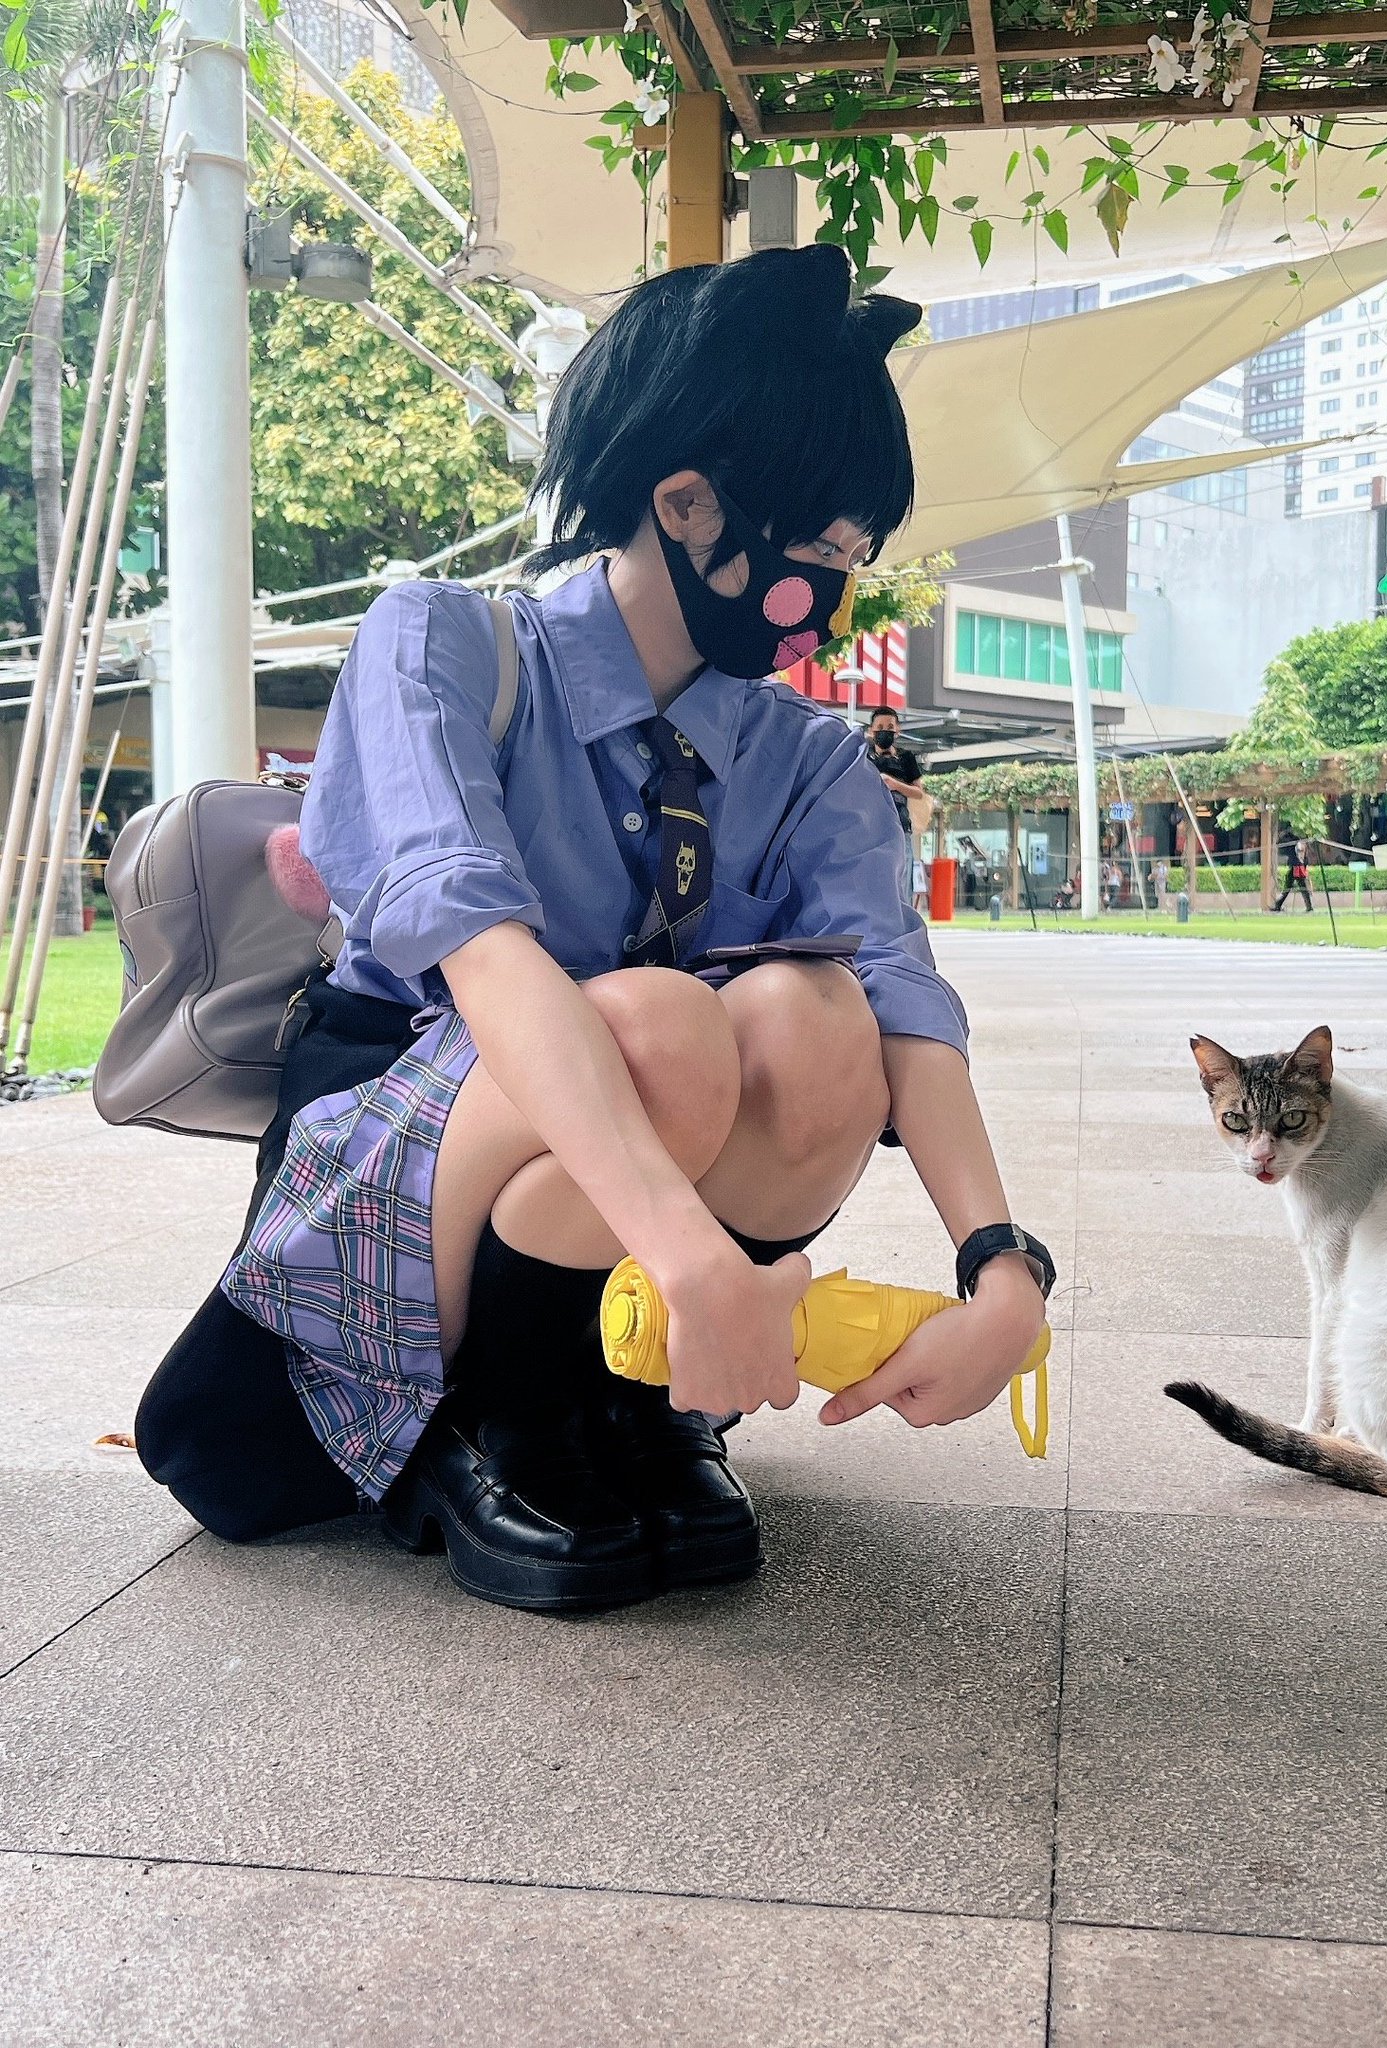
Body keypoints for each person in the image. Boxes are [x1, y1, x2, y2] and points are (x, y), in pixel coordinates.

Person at [133, 245, 1051, 1616]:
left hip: (610, 1148)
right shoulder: (439, 643)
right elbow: (485, 955)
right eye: (819, 553)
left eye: (854, 559)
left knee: (818, 1019)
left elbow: (904, 1010)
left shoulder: (805, 758)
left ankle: (632, 1406)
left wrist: (1001, 1269)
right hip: (412, 1117)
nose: (835, 596)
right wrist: (687, 1251)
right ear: (685, 503)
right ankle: (496, 1417)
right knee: (662, 1022)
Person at [866, 706, 925, 848]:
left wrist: (895, 784)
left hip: (900, 826)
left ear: (897, 731)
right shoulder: (864, 757)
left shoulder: (906, 757)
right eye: (880, 727)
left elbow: (919, 793)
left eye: (890, 727)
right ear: (871, 731)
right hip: (870, 827)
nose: (885, 731)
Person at [1275, 837, 1314, 913]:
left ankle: (1309, 907)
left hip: (1297, 867)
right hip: (1296, 867)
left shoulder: (1297, 844)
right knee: (1292, 888)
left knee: (1300, 888)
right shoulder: (1296, 845)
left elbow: (1301, 857)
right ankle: (1278, 905)